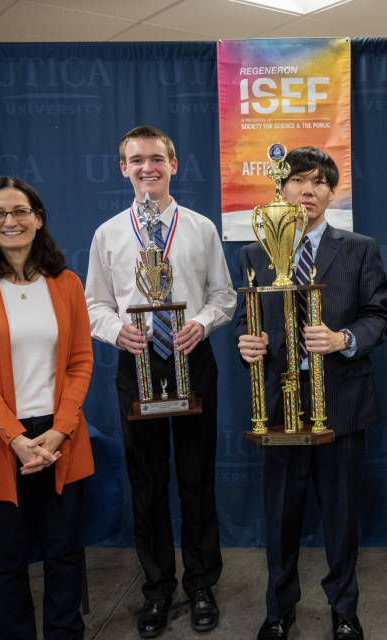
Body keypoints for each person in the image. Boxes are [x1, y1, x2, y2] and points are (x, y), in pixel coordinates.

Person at [85, 126, 237, 637]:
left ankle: (200, 584)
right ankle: (156, 589)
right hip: (137, 364)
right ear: (122, 168)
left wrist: (203, 322)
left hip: (192, 358)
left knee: (197, 479)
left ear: (175, 164)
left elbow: (225, 295)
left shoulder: (200, 228)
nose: (146, 167)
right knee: (147, 483)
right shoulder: (108, 234)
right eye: (135, 160)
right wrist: (116, 331)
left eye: (156, 158)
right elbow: (94, 305)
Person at [235, 146, 387, 640]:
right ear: (281, 189)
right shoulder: (253, 252)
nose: (309, 190)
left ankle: (344, 610)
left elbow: (379, 317)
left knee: (341, 515)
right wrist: (249, 345)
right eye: (299, 181)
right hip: (279, 407)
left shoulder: (360, 246)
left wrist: (343, 339)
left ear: (332, 191)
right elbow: (246, 322)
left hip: (341, 401)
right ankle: (279, 610)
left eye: (320, 182)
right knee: (280, 516)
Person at [0, 176, 94, 640]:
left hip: (59, 438)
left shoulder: (66, 283)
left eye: (20, 211)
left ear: (38, 218)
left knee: (65, 554)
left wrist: (61, 429)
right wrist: (16, 439)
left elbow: (80, 361)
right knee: (8, 565)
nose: (11, 221)